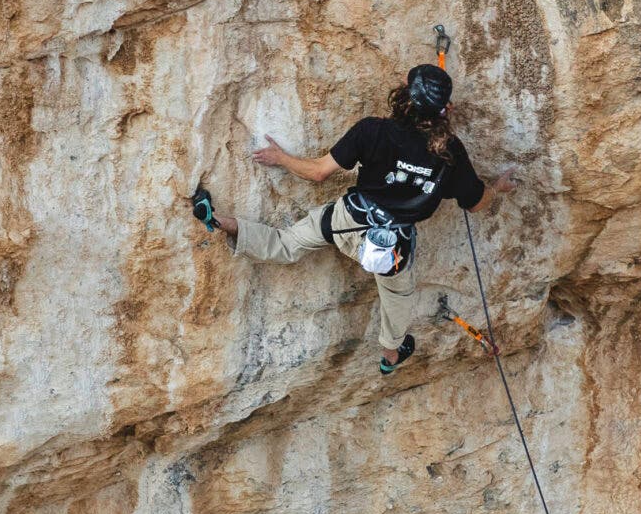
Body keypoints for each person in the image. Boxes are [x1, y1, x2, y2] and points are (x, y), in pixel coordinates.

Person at [189, 63, 515, 373]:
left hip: (348, 221)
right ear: (445, 111)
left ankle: (220, 220)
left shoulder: (372, 131)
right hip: (390, 250)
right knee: (398, 299)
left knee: (285, 244)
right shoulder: (450, 154)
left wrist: (280, 158)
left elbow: (318, 173)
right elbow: (475, 203)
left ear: (404, 97)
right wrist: (497, 188)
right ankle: (390, 354)